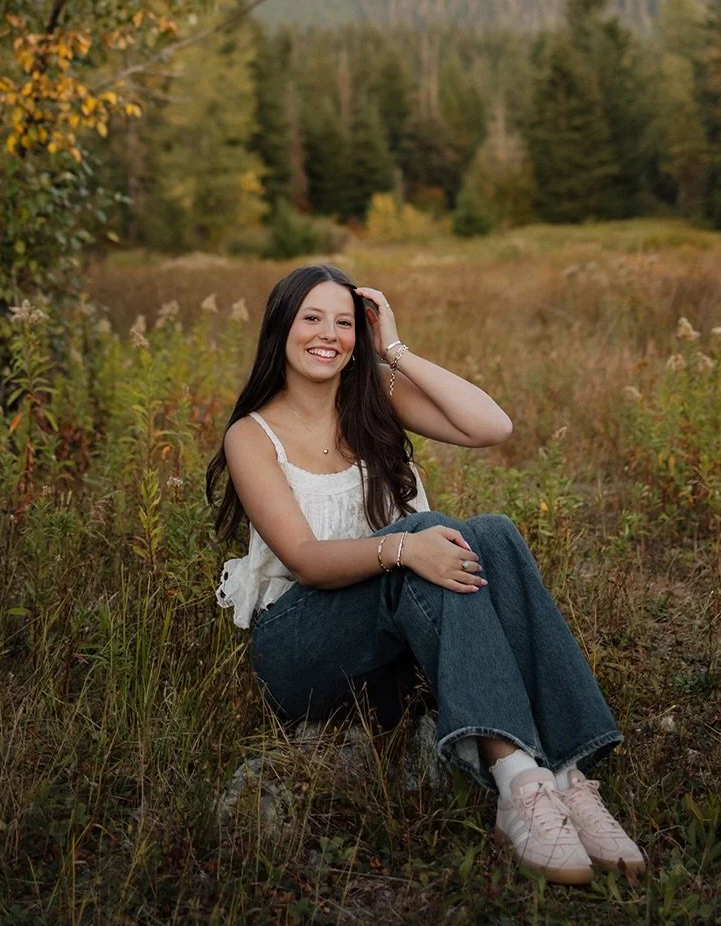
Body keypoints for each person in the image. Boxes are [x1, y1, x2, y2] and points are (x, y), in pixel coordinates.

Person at [207, 264, 645, 885]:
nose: (328, 334)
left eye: (344, 321)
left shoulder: (375, 396)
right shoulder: (251, 436)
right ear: (281, 327)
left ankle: (567, 780)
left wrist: (396, 351)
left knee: (492, 532)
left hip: (394, 643)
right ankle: (519, 781)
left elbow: (491, 427)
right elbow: (304, 559)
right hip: (302, 646)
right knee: (432, 529)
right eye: (311, 318)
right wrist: (404, 551)